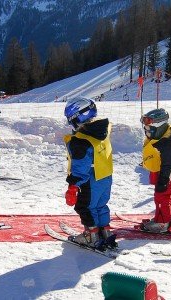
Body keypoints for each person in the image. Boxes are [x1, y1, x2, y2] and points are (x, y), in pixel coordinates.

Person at [62, 97, 117, 249]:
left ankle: (91, 235)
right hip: (105, 177)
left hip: (90, 179)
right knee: (100, 205)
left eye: (70, 119)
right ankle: (105, 231)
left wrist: (73, 186)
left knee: (84, 206)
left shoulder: (80, 141)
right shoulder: (103, 130)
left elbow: (80, 168)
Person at [139, 108, 171, 233]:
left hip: (168, 175)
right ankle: (169, 217)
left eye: (149, 129)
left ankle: (163, 223)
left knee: (161, 196)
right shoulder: (162, 136)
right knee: (166, 196)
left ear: (159, 126)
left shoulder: (168, 143)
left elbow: (169, 164)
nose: (147, 132)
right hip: (164, 172)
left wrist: (163, 181)